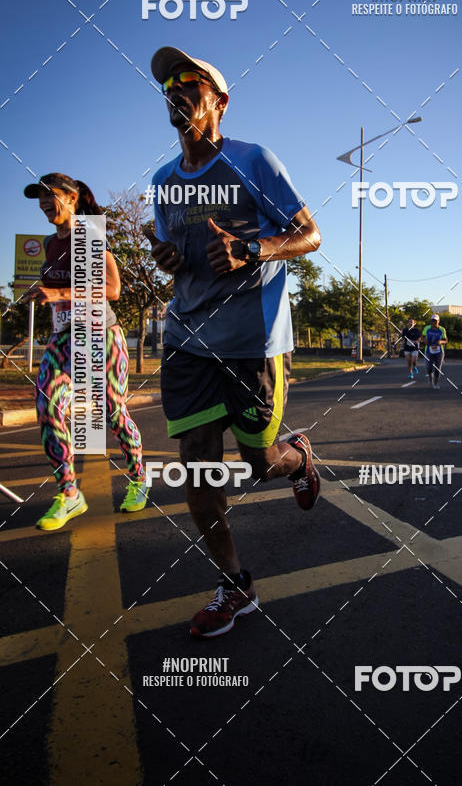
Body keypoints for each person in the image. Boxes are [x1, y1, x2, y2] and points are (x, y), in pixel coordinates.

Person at [147, 46, 322, 638]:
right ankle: (234, 584)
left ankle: (296, 457)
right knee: (198, 470)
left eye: (189, 82)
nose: (177, 91)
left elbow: (309, 235)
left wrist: (253, 249)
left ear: (218, 101)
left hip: (252, 343)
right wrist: (167, 257)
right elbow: (176, 254)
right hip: (187, 340)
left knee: (259, 464)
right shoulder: (163, 181)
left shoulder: (253, 160)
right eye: (169, 86)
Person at [23, 173, 147, 530]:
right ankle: (69, 493)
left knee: (112, 411)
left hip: (100, 336)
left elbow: (112, 288)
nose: (44, 203)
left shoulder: (89, 235)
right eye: (39, 198)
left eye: (49, 195)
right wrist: (43, 292)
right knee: (47, 406)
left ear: (71, 198)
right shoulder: (50, 243)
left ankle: (139, 479)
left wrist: (60, 293)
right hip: (63, 338)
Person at [422, 313, 448, 390]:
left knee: (437, 368)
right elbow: (422, 337)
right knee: (428, 367)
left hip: (439, 351)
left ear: (438, 321)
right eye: (433, 321)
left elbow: (445, 340)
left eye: (435, 321)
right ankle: (430, 377)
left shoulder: (442, 329)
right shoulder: (427, 328)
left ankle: (436, 382)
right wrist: (425, 341)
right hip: (428, 350)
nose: (434, 322)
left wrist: (441, 342)